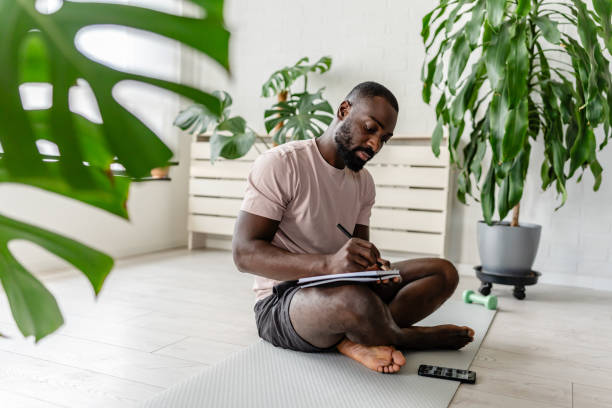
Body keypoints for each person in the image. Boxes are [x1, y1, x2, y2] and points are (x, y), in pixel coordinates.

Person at [232, 81, 474, 374]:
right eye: (370, 128)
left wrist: (374, 268)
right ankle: (403, 337)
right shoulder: (281, 164)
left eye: (384, 138)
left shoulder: (364, 183)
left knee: (443, 272)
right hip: (282, 302)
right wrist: (329, 265)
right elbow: (244, 254)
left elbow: (359, 257)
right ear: (344, 110)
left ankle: (357, 338)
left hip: (343, 287)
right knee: (354, 301)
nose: (375, 145)